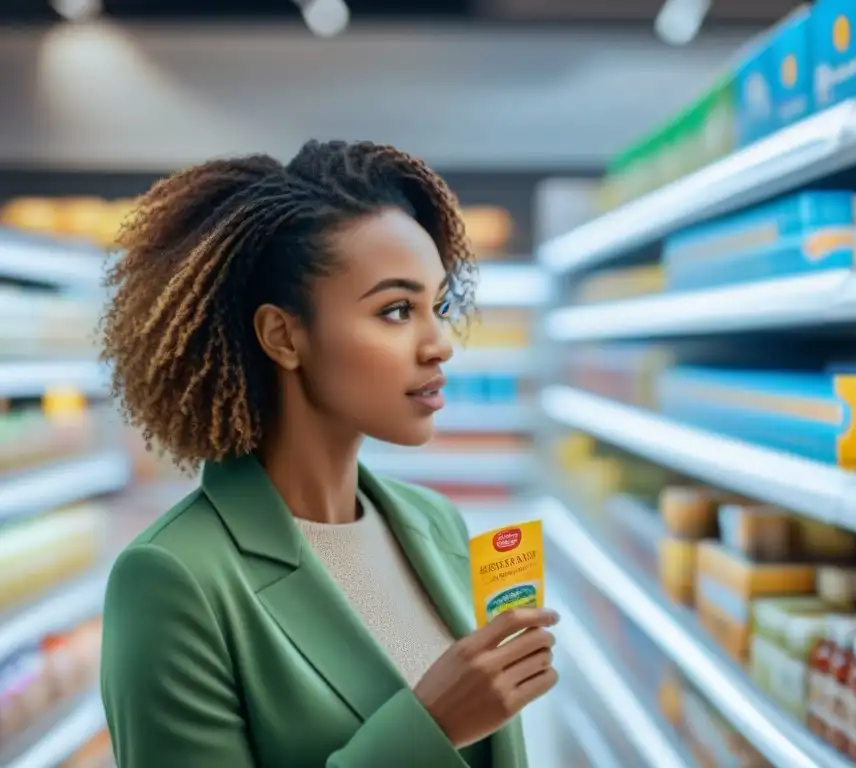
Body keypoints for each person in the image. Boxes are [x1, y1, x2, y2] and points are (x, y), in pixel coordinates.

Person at [98, 139, 559, 768]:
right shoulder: (172, 579)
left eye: (439, 306)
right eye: (397, 310)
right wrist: (430, 727)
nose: (440, 344)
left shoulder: (437, 524)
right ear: (284, 336)